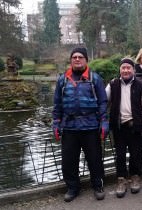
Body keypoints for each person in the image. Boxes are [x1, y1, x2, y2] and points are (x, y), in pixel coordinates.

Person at [52, 47, 109, 202]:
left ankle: (98, 185)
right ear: (71, 60)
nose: (77, 59)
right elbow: (57, 104)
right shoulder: (62, 80)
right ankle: (72, 188)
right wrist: (56, 123)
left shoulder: (95, 78)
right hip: (69, 127)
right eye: (74, 57)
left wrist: (104, 122)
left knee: (94, 159)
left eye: (80, 57)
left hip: (90, 126)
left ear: (86, 60)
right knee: (69, 161)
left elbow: (103, 102)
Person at [106, 58, 142, 198]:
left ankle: (135, 176)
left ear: (133, 70)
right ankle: (121, 179)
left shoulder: (141, 86)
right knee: (120, 155)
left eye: (128, 68)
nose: (126, 70)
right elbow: (103, 101)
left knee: (136, 154)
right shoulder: (113, 84)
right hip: (119, 127)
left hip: (135, 126)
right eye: (123, 68)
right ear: (120, 70)